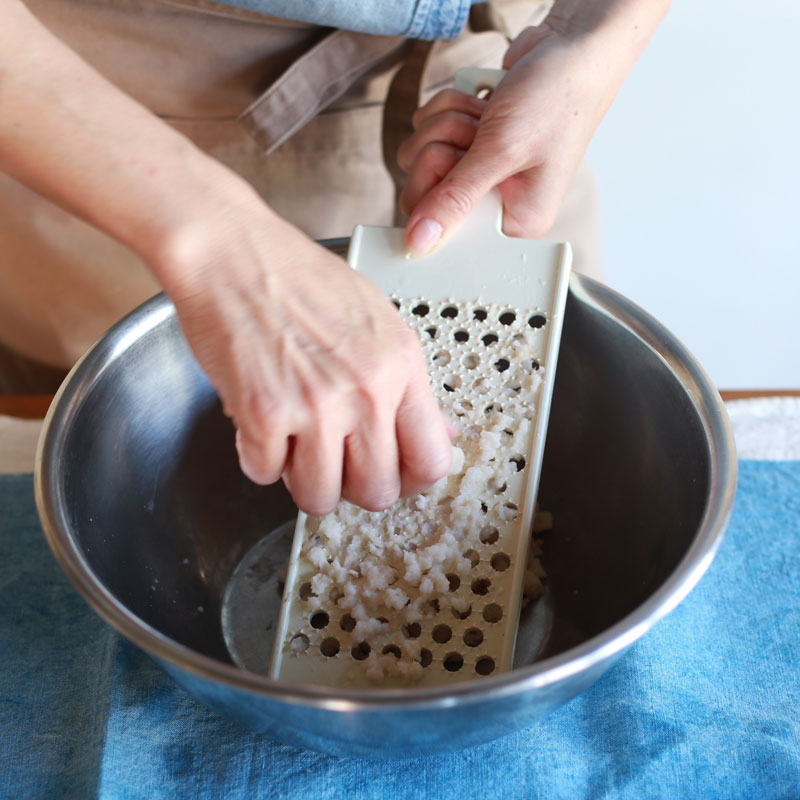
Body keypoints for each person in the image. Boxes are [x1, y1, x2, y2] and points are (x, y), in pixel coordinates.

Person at [0, 0, 669, 514]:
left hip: (512, 82)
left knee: (567, 463)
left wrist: (591, 37)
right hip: (109, 115)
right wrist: (216, 248)